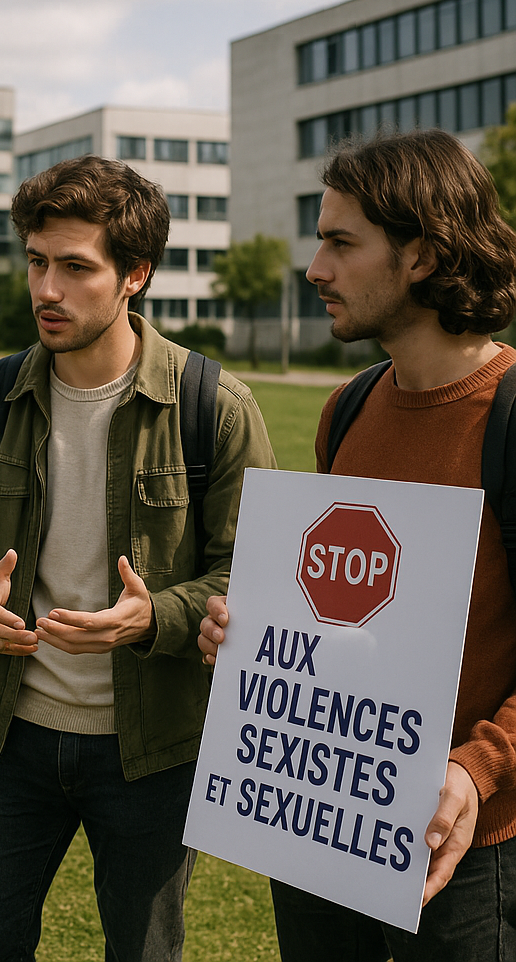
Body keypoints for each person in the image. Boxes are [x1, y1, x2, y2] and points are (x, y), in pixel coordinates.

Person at [0, 155, 277, 962]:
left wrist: (151, 617)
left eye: (75, 268)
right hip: (10, 739)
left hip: (154, 749)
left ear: (136, 275)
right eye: (36, 262)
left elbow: (259, 577)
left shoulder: (213, 406)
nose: (46, 289)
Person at [199, 128, 516, 960]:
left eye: (341, 243)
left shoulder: (510, 417)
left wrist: (478, 769)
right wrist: (253, 638)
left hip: (465, 852)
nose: (315, 269)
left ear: (425, 255)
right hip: (320, 826)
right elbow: (348, 621)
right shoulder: (347, 409)